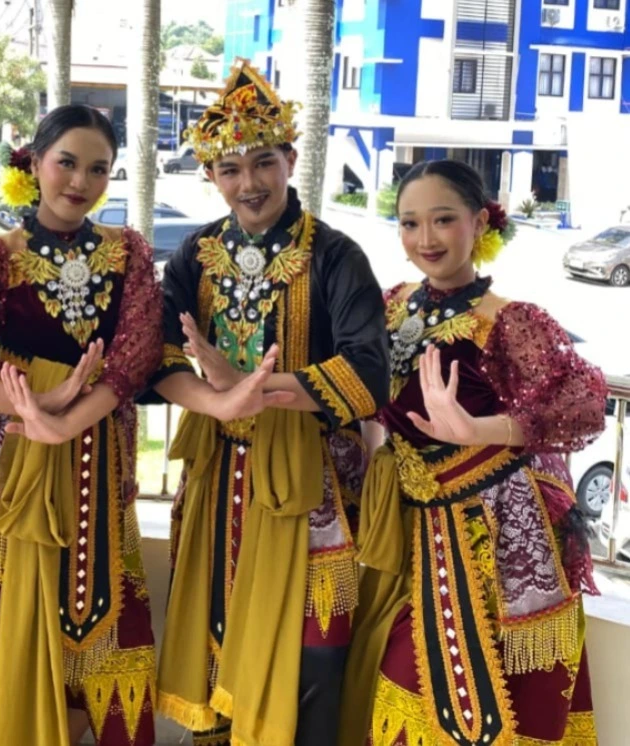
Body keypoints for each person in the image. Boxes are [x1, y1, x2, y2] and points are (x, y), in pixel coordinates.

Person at [149, 58, 390, 746]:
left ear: (289, 158)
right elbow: (158, 356)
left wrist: (258, 390)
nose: (247, 183)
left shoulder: (336, 255)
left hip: (311, 479)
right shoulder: (194, 253)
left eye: (261, 162)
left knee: (312, 642)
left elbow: (369, 373)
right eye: (229, 169)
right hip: (220, 474)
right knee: (218, 626)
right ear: (211, 176)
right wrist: (217, 400)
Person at [0, 104, 162, 746]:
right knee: (2, 610)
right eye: (66, 163)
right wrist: (17, 402)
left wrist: (68, 416)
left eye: (98, 168)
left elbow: (135, 355)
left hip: (97, 451)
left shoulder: (127, 251)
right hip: (8, 456)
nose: (80, 181)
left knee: (87, 607)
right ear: (36, 163)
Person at [339, 159, 605, 746]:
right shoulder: (392, 304)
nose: (425, 239)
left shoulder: (507, 321)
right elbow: (347, 382)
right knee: (410, 679)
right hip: (415, 526)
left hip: (501, 534)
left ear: (479, 222)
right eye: (410, 223)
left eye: (443, 220)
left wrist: (481, 430)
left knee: (503, 692)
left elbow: (585, 402)